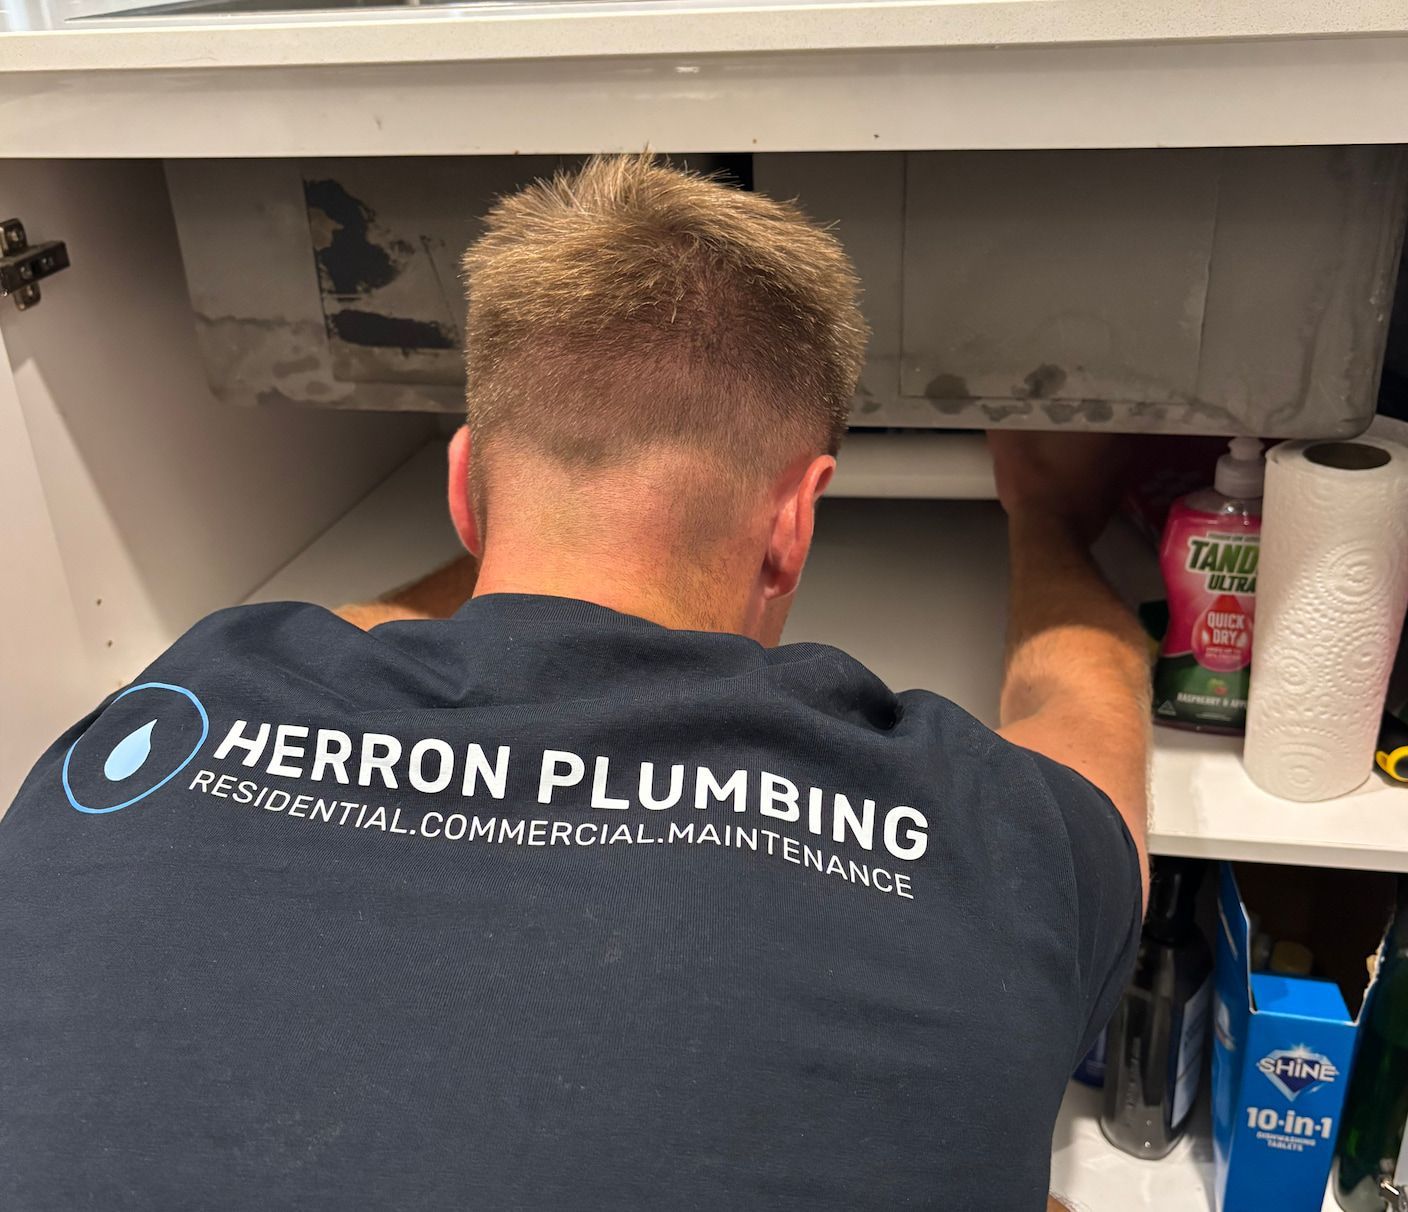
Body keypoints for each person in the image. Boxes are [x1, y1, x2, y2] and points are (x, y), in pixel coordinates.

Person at [0, 155, 1149, 1211]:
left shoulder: (189, 705)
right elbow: (1089, 702)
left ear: (461, 489)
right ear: (795, 524)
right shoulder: (989, 839)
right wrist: (1042, 508)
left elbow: (366, 623)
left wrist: (522, 523)